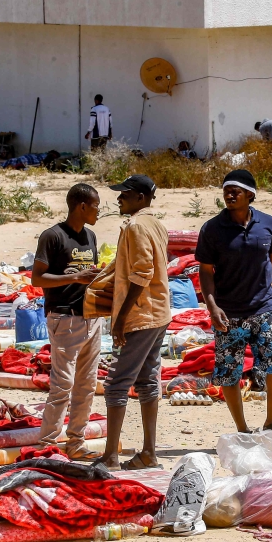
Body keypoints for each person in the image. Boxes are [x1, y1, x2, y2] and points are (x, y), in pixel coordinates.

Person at [196, 169, 272, 448]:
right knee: (229, 371)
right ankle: (242, 429)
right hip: (229, 312)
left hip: (265, 307)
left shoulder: (268, 224)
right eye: (226, 190)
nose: (229, 194)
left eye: (236, 190)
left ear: (250, 194)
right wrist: (212, 307)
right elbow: (205, 270)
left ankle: (271, 424)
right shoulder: (212, 229)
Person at [97, 174, 171, 470]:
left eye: (124, 195)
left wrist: (121, 318)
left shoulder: (137, 225)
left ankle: (110, 456)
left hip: (141, 314)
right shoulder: (155, 223)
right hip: (159, 312)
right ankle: (149, 453)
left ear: (140, 198)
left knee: (116, 383)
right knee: (146, 380)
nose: (119, 200)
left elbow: (143, 273)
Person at [30, 183, 102, 460]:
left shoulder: (91, 237)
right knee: (62, 385)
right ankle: (46, 445)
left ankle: (76, 442)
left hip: (91, 319)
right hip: (64, 318)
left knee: (86, 384)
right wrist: (73, 278)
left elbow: (87, 276)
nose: (98, 211)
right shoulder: (53, 236)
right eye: (95, 206)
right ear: (82, 206)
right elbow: (37, 279)